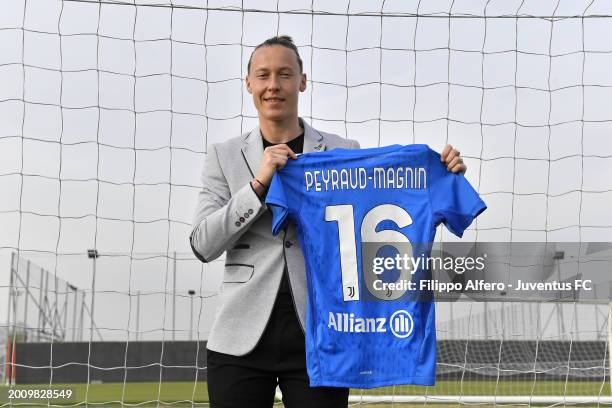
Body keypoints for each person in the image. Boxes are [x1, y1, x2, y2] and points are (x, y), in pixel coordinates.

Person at [189, 35, 466, 408]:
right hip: (239, 337)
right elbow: (203, 244)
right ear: (249, 83)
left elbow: (388, 195)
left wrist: (440, 175)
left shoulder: (342, 152)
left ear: (302, 81)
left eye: (285, 74)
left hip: (322, 336)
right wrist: (258, 185)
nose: (274, 85)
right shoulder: (223, 156)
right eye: (264, 75)